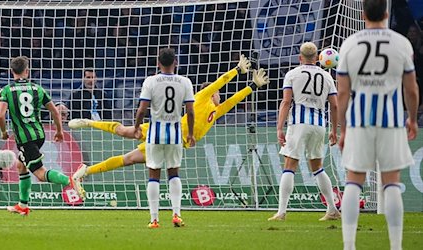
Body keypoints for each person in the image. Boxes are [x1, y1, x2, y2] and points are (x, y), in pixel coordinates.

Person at [68, 54, 268, 198]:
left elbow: (233, 100)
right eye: (215, 93)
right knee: (124, 133)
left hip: (172, 138)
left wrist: (251, 86)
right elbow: (218, 83)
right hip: (167, 133)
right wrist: (236, 70)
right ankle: (88, 122)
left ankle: (85, 171)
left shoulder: (215, 112)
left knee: (127, 158)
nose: (219, 95)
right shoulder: (201, 97)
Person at [337, 0, 419, 249]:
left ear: (362, 14)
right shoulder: (401, 43)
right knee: (391, 181)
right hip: (391, 120)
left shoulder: (350, 43)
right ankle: (396, 246)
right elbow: (411, 88)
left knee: (354, 180)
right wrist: (413, 118)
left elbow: (342, 93)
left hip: (360, 120)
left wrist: (343, 127)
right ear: (386, 12)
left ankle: (349, 245)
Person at [0, 56, 82, 215]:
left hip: (25, 139)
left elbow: (0, 116)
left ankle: (69, 180)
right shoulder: (37, 89)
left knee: (40, 174)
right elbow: (55, 111)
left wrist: (3, 132)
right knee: (21, 166)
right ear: (27, 71)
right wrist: (59, 130)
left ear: (11, 71)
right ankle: (23, 205)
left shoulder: (6, 90)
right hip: (39, 134)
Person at [268, 42, 340, 222]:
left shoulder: (292, 74)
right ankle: (332, 209)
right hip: (319, 124)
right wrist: (334, 129)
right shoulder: (327, 76)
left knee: (289, 165)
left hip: (299, 123)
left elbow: (286, 102)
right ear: (317, 58)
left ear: (300, 57)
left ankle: (281, 212)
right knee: (317, 167)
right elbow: (335, 105)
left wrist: (279, 128)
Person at [133, 48, 196, 228]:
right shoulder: (185, 82)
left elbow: (142, 109)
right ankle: (176, 214)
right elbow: (190, 111)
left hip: (155, 133)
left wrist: (137, 127)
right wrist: (190, 133)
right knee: (174, 173)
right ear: (175, 62)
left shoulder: (151, 81)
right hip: (175, 133)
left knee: (154, 174)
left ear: (158, 63)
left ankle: (154, 219)